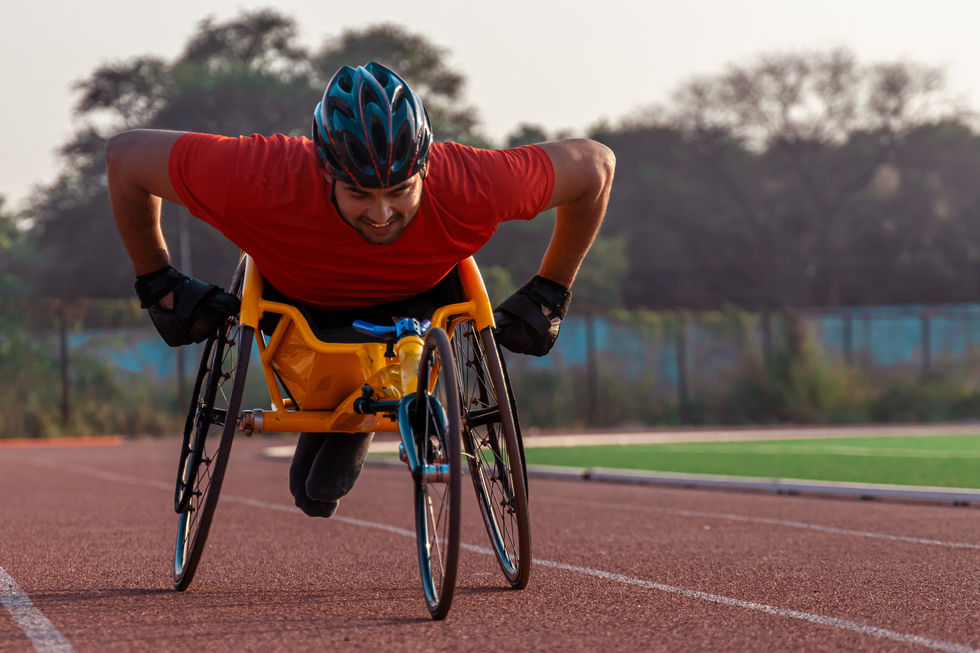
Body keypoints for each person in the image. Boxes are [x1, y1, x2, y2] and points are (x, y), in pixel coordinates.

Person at [106, 61, 615, 518]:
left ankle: (366, 407)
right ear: (324, 169)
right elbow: (125, 157)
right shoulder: (263, 175)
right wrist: (159, 283)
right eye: (359, 193)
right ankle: (353, 410)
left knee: (314, 490)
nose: (381, 214)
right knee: (311, 490)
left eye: (400, 191)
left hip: (420, 311)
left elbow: (596, 165)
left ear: (425, 167)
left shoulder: (471, 181)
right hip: (303, 312)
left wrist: (551, 291)